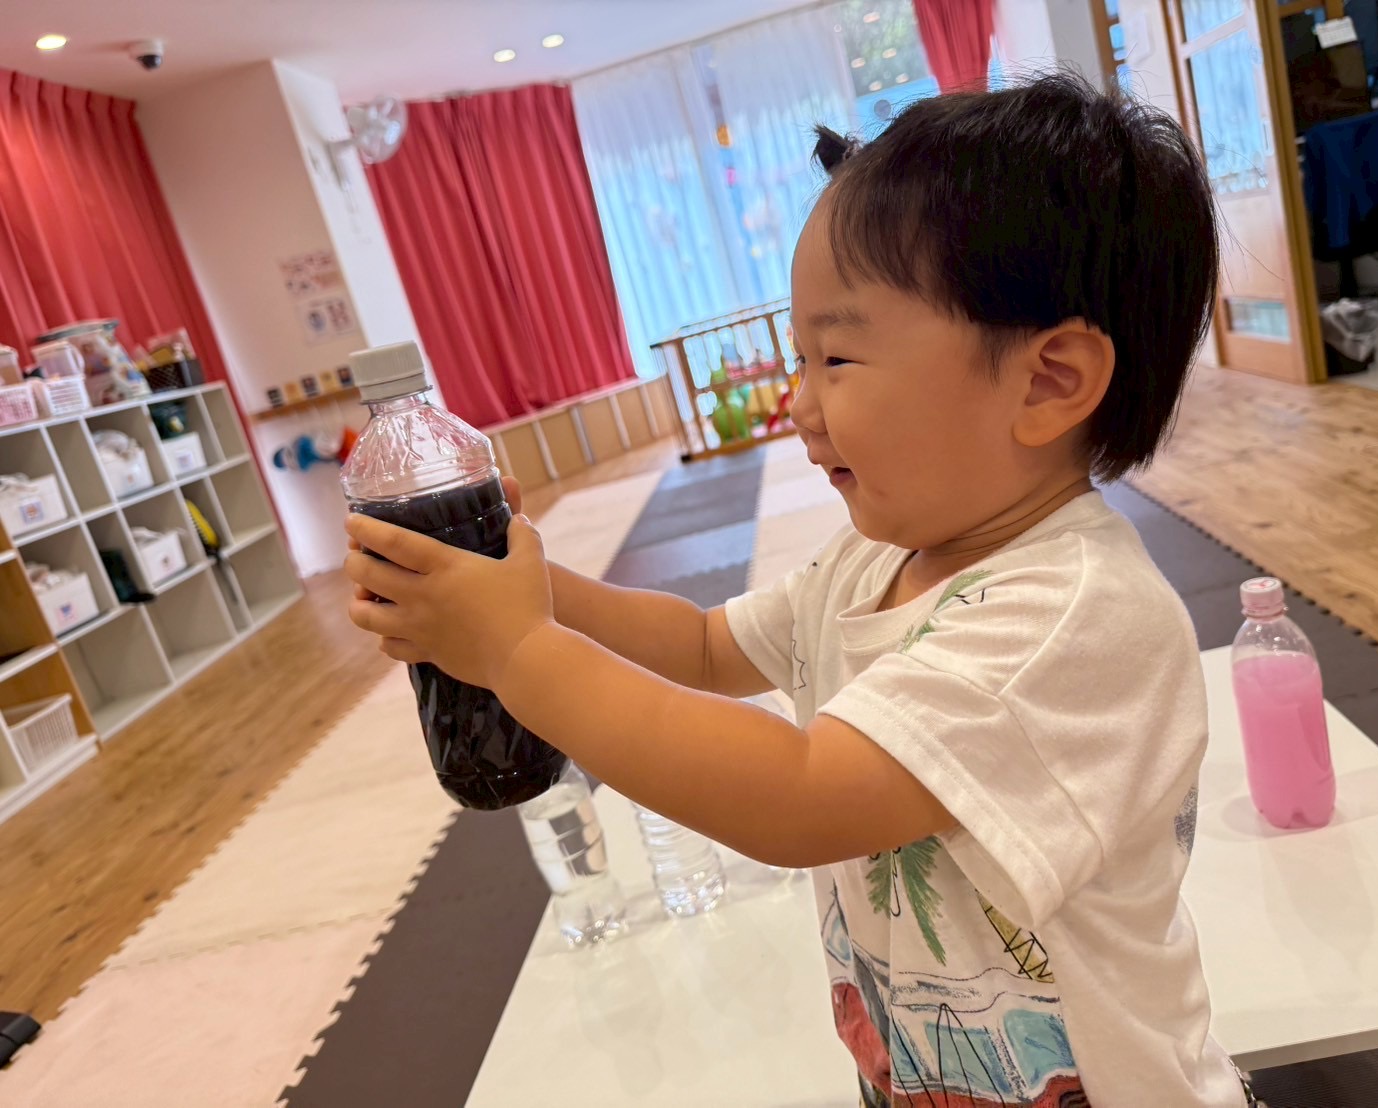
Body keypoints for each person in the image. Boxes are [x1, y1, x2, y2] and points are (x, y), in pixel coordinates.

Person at [344, 72, 1254, 1107]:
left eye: (835, 358)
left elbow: (801, 796)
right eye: (799, 359)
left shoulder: (1071, 614)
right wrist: (522, 585)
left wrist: (517, 650)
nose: (797, 402)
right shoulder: (875, 561)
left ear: (1047, 381)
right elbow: (700, 647)